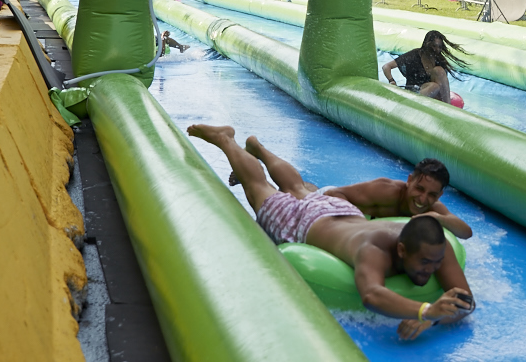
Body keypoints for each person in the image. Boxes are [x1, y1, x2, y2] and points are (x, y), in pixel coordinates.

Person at [187, 125, 474, 339]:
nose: (432, 270)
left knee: (299, 188)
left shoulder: (435, 245)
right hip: (307, 221)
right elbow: (371, 295)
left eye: (434, 263)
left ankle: (258, 148)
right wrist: (424, 310)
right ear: (401, 250)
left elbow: (466, 300)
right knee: (258, 188)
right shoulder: (373, 248)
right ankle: (226, 139)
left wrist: (433, 320)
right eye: (425, 264)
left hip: (343, 216)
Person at [230, 144, 472, 239]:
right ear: (409, 181)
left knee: (304, 188)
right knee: (294, 190)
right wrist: (357, 222)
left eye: (431, 195)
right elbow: (336, 196)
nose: (422, 199)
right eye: (419, 189)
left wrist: (438, 218)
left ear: (439, 196)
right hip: (331, 203)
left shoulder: (430, 208)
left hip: (339, 208)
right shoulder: (385, 190)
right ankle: (257, 150)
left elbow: (466, 232)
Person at [381, 30, 467, 103]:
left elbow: (442, 83)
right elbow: (386, 66)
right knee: (434, 86)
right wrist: (391, 81)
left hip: (433, 93)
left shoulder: (439, 60)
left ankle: (447, 107)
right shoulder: (414, 55)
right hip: (415, 90)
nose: (436, 50)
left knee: (439, 71)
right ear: (426, 44)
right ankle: (412, 103)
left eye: (439, 47)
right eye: (434, 46)